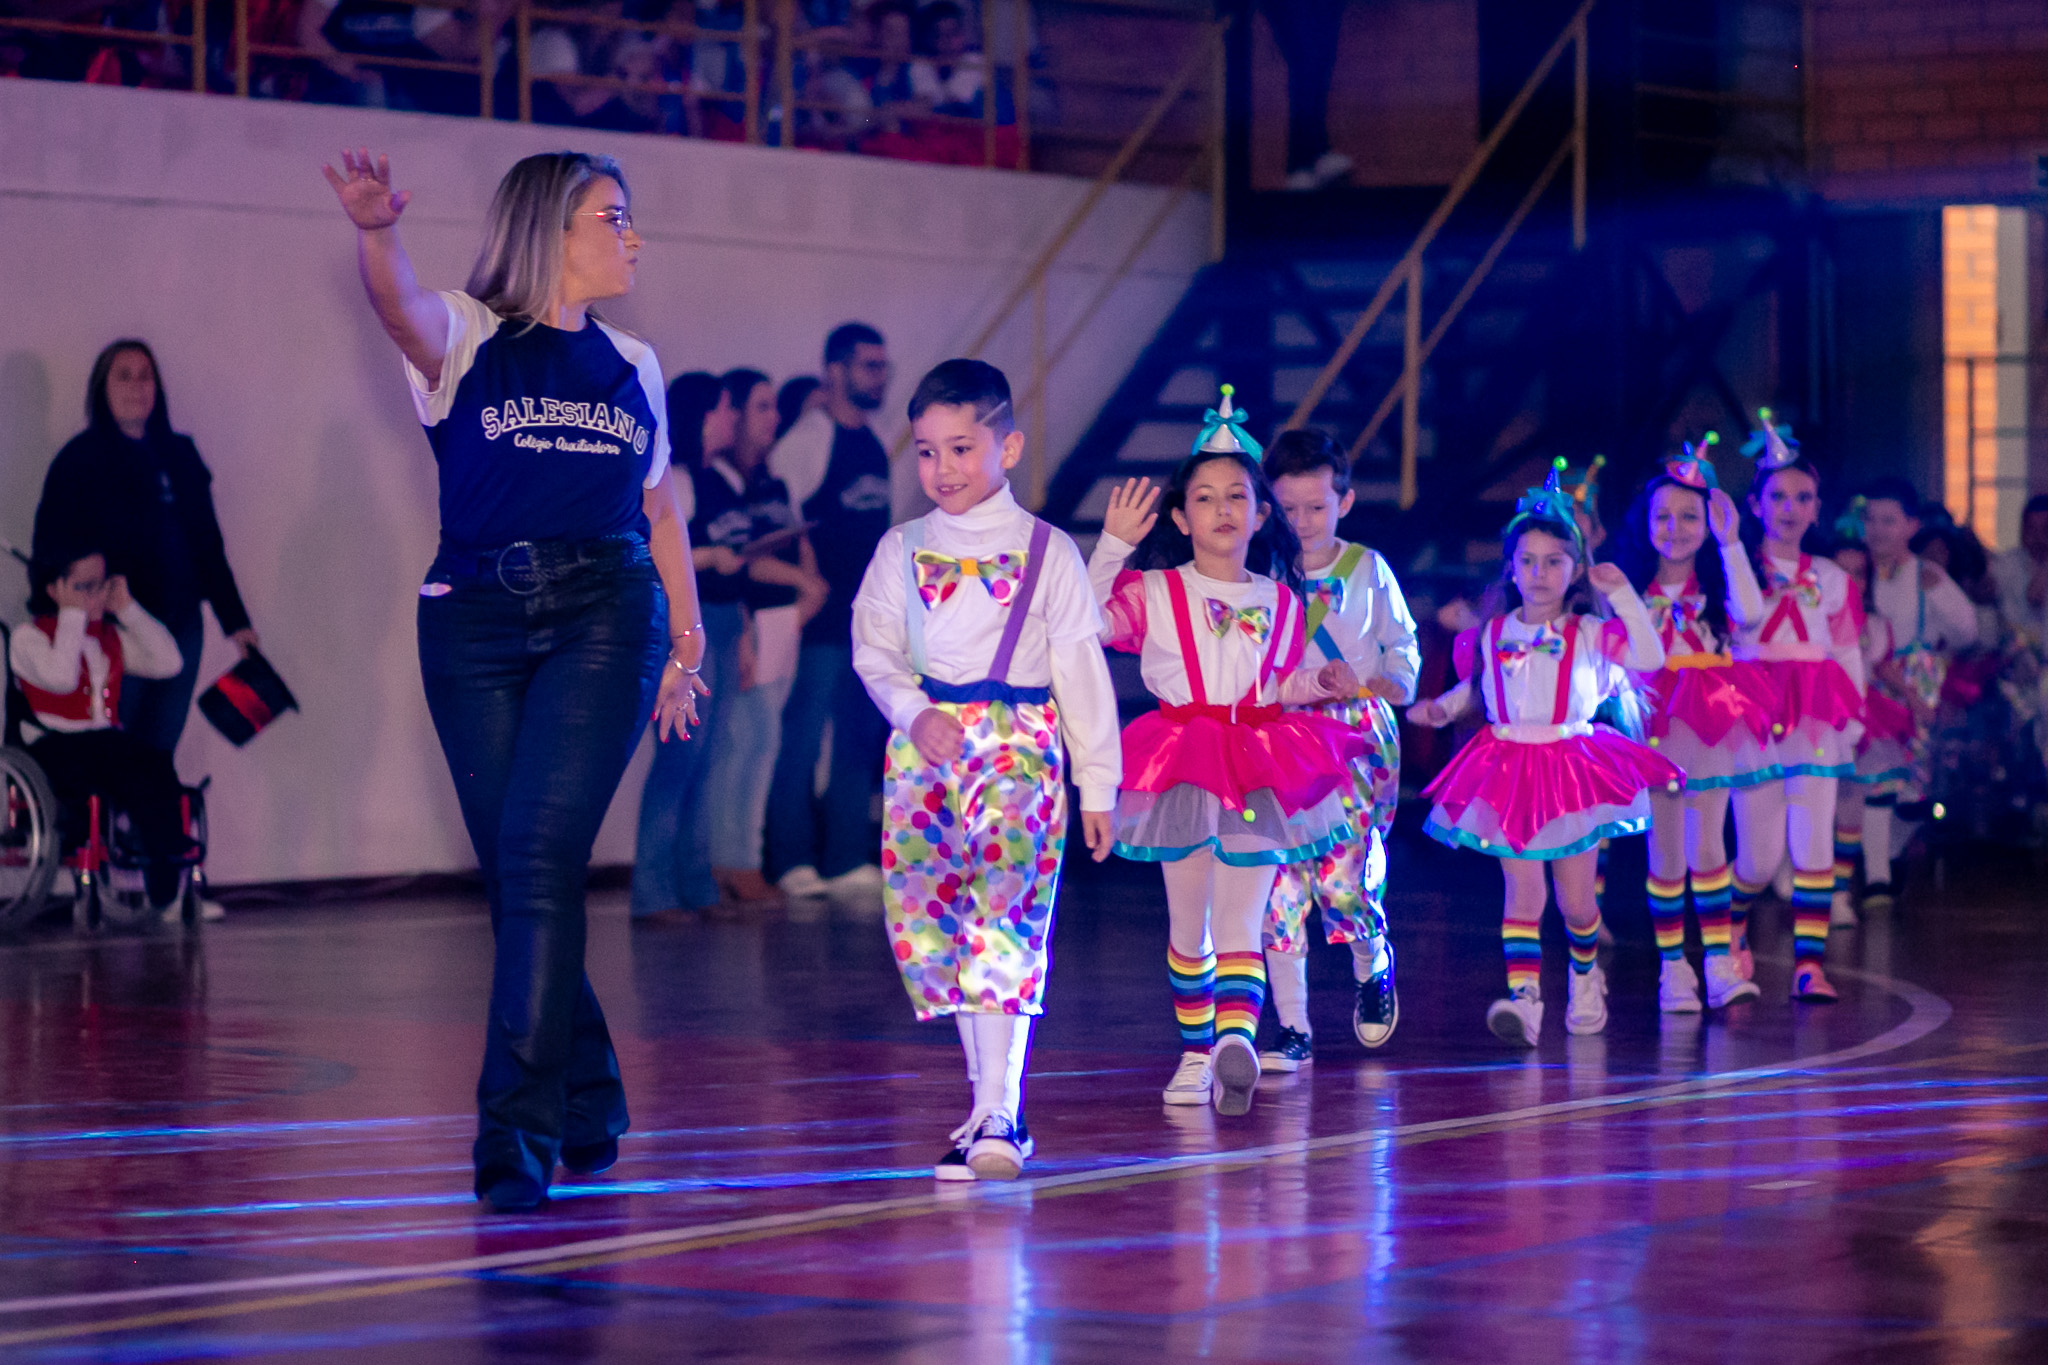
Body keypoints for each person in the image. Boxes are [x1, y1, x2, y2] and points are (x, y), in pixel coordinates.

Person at [322, 148, 707, 1212]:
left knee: (537, 859)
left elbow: (660, 507)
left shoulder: (633, 363)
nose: (631, 236)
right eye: (612, 216)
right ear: (552, 227)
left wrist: (687, 638)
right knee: (517, 879)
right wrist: (372, 231)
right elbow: (396, 306)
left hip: (604, 615)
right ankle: (586, 1098)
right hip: (474, 623)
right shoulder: (469, 334)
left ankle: (517, 1134)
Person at [850, 359, 1118, 1179]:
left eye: (962, 448)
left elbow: (1080, 669)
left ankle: (1004, 1106)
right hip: (926, 748)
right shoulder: (901, 549)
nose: (944, 469)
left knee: (1004, 913)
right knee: (936, 923)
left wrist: (1096, 780)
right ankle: (984, 1105)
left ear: (1008, 445)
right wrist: (911, 709)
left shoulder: (1048, 551)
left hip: (1019, 745)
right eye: (926, 452)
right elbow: (874, 648)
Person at [1089, 391, 1365, 1117]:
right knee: (1190, 918)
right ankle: (1194, 1052)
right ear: (1180, 517)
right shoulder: (1153, 589)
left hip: (1260, 756)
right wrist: (1112, 546)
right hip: (1179, 755)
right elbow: (1081, 624)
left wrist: (1318, 683)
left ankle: (1235, 1039)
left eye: (1238, 495)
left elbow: (1274, 682)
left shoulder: (1281, 598)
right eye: (1204, 497)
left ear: (1261, 513)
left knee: (1245, 911)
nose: (1221, 509)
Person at [1407, 461, 1676, 1046]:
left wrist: (1625, 595)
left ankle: (1585, 975)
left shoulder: (1588, 631)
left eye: (1554, 561)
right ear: (1511, 567)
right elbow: (1479, 688)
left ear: (1575, 569)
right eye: (1527, 561)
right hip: (1505, 766)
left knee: (1577, 902)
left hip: (1570, 767)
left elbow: (1651, 658)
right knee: (1523, 894)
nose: (1539, 572)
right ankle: (1526, 999)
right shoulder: (1493, 630)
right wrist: (1442, 710)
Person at [1256, 428, 1417, 1067]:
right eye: (1288, 509)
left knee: (1344, 880)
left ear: (1343, 503)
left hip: (1352, 739)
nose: (1302, 522)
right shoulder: (1260, 573)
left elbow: (1403, 650)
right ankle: (1292, 1025)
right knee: (1279, 886)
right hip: (1280, 736)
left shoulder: (1368, 569)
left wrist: (1375, 684)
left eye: (1316, 507)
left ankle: (1372, 963)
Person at [32, 339, 258, 755]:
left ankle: (150, 820)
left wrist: (237, 623)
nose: (137, 386)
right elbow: (50, 548)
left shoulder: (181, 457)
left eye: (145, 376)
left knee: (156, 757)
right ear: (103, 388)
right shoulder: (79, 461)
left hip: (181, 627)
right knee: (113, 754)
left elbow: (207, 546)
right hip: (117, 631)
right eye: (124, 376)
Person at [1609, 439, 1771, 1013]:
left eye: (1688, 516)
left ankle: (1719, 963)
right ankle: (1673, 969)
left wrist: (1730, 542)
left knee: (1710, 847)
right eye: (1663, 516)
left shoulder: (1722, 584)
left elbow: (1751, 615)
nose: (1674, 528)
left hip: (1713, 720)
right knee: (1666, 853)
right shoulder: (1625, 589)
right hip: (1654, 719)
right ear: (1644, 522)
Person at [1725, 411, 1863, 1002]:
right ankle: (1730, 932)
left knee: (1814, 847)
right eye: (1777, 496)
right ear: (1755, 504)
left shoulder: (1832, 578)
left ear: (1816, 507)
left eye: (1802, 497)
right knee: (1758, 856)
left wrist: (1851, 724)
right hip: (1750, 715)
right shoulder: (1733, 568)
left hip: (1814, 718)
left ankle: (1810, 965)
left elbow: (1849, 652)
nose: (1789, 507)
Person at [765, 322, 895, 898]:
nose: (880, 376)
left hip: (866, 622)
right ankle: (789, 857)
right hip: (818, 619)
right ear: (835, 370)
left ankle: (845, 857)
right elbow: (778, 516)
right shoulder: (808, 440)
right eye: (869, 365)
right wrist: (804, 579)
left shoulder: (873, 438)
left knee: (858, 738)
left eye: (882, 365)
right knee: (803, 734)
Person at [698, 368, 828, 903]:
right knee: (748, 740)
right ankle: (735, 859)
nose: (774, 419)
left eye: (776, 407)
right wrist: (799, 582)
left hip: (784, 618)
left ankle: (742, 858)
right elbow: (745, 560)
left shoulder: (773, 479)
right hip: (747, 619)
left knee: (761, 740)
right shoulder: (722, 482)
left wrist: (809, 584)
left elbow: (795, 539)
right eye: (761, 407)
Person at [10, 547, 191, 909]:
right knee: (117, 757)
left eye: (102, 584)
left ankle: (164, 867)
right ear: (54, 589)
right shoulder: (28, 638)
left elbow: (170, 663)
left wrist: (128, 608)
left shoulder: (108, 636)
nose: (95, 595)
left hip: (103, 745)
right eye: (84, 586)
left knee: (152, 762)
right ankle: (147, 851)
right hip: (54, 746)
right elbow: (60, 679)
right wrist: (72, 615)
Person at [1832, 478, 1977, 910]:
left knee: (1909, 788)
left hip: (1910, 688)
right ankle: (1876, 872)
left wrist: (1927, 665)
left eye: (1889, 521)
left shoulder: (1925, 576)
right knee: (1869, 782)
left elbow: (1966, 630)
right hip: (1859, 683)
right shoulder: (1851, 569)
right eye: (1871, 519)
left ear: (1911, 526)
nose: (1877, 530)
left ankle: (1884, 859)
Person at [631, 372, 741, 920]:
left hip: (713, 621)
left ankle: (696, 884)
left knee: (703, 758)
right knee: (680, 757)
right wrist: (710, 561)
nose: (734, 418)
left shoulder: (714, 476)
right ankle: (653, 892)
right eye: (725, 408)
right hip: (680, 627)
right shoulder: (675, 478)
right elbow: (655, 553)